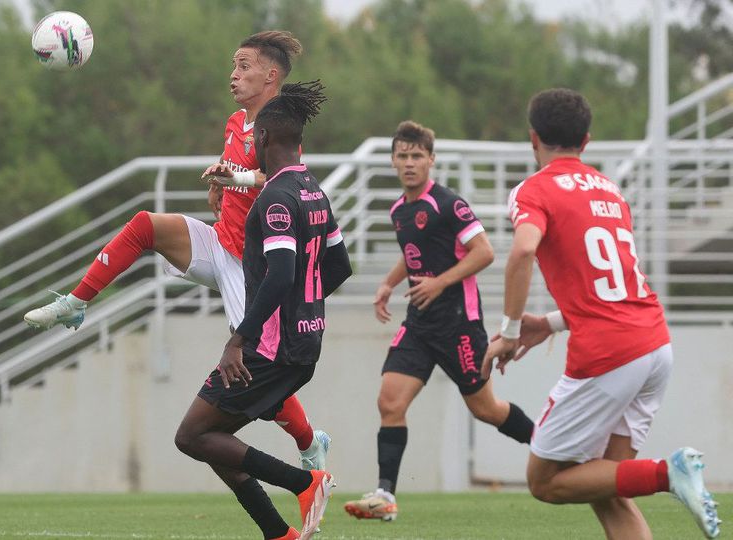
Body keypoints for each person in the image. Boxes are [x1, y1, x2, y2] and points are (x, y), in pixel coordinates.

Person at [23, 31, 331, 470]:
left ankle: (309, 443)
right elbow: (235, 180)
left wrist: (240, 181)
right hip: (221, 241)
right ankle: (76, 303)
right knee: (146, 225)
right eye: (233, 66)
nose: (234, 75)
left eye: (244, 66)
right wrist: (220, 186)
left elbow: (288, 180)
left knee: (256, 376)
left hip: (253, 266)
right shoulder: (234, 122)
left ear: (271, 75)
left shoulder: (279, 126)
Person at [482, 88, 720, 539]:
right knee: (607, 486)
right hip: (653, 344)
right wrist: (547, 323)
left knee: (546, 480)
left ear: (533, 138)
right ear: (586, 141)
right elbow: (610, 286)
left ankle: (669, 474)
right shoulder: (611, 191)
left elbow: (522, 252)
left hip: (609, 354)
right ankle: (664, 475)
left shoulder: (534, 189)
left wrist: (510, 331)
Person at [174, 80, 350, 540]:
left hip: (269, 350)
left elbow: (280, 273)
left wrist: (239, 339)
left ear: (264, 140)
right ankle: (279, 534)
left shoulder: (274, 199)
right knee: (216, 442)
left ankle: (305, 482)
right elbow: (340, 265)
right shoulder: (313, 190)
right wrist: (303, 310)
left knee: (190, 437)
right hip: (301, 344)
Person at [343, 122, 535, 522]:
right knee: (389, 401)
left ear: (431, 160)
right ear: (393, 160)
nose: (410, 163)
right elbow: (412, 252)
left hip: (459, 324)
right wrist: (388, 284)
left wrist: (440, 282)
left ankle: (552, 446)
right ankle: (385, 496)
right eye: (403, 155)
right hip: (419, 324)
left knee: (487, 409)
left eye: (417, 156)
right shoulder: (399, 210)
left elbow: (483, 253)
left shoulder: (448, 204)